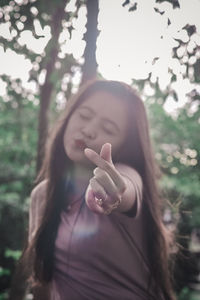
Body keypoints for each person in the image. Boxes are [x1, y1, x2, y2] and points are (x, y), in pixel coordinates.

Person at [25, 79, 176, 300]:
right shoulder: (41, 196)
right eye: (84, 115)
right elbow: (43, 280)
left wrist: (113, 193)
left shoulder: (128, 176)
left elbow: (125, 188)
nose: (88, 130)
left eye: (108, 128)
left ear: (124, 145)